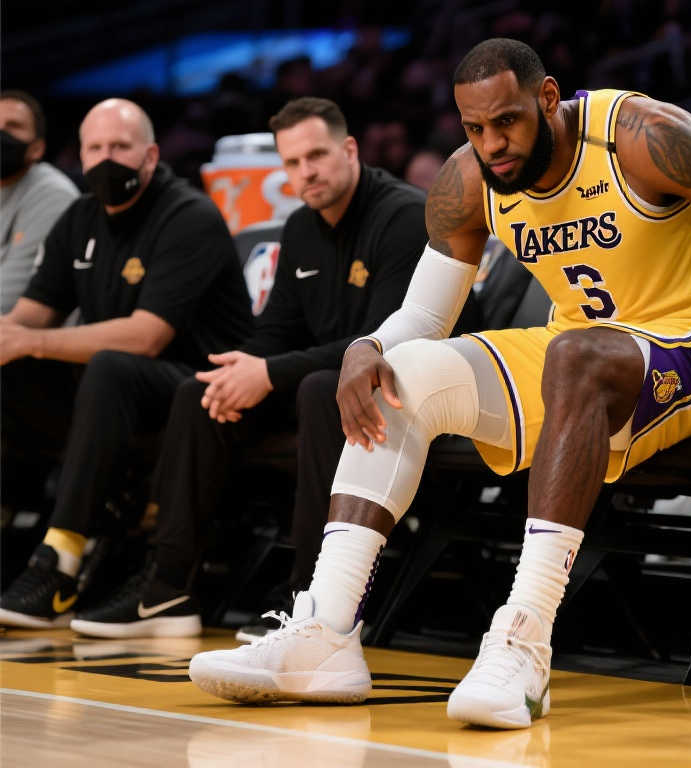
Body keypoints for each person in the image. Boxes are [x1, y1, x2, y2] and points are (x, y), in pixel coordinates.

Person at [188, 38, 691, 725]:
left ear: (547, 98)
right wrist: (367, 348)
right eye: (474, 128)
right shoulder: (467, 179)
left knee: (574, 355)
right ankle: (327, 632)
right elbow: (426, 316)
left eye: (507, 122)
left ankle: (524, 639)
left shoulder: (641, 138)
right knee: (403, 373)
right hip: (579, 354)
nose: (492, 144)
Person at [67, 97, 434, 639]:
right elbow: (277, 330)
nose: (306, 172)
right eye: (292, 162)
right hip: (326, 385)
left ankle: (312, 598)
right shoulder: (301, 227)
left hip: (408, 387)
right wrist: (242, 368)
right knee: (201, 392)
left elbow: (383, 343)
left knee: (319, 389)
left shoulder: (403, 216)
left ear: (350, 150)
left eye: (317, 156)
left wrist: (268, 373)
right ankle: (166, 590)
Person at [0, 98, 252, 629]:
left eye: (120, 146)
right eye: (95, 148)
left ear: (151, 155)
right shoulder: (79, 217)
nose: (107, 159)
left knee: (110, 365)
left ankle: (58, 563)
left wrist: (28, 341)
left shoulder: (188, 216)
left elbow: (146, 337)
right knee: (17, 368)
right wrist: (10, 339)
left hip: (201, 386)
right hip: (112, 392)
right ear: (81, 156)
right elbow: (28, 318)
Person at [0, 90, 79, 314]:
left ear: (37, 148)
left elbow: (10, 296)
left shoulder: (54, 194)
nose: (1, 133)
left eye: (13, 126)